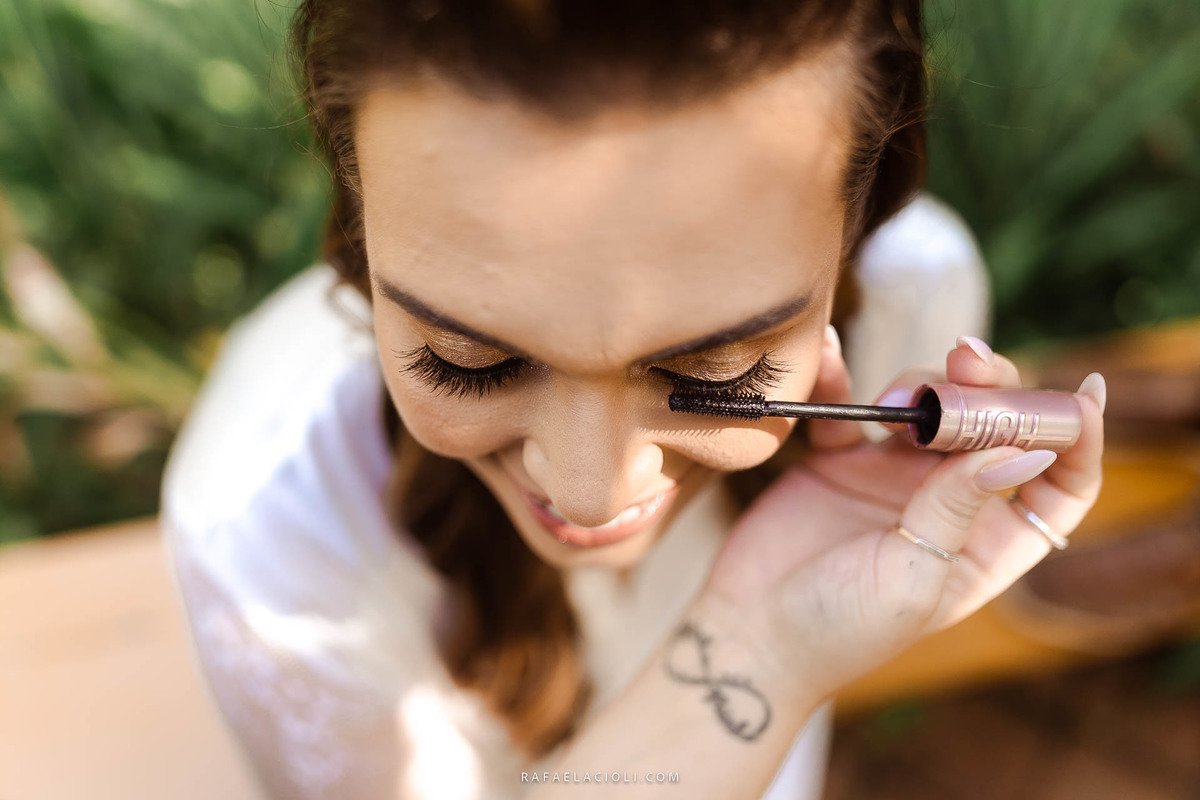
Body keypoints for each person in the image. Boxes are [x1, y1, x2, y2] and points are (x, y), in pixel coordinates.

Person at [160, 1, 1106, 798]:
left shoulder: (917, 294)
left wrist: (771, 648)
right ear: (361, 228)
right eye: (466, 362)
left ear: (855, 227)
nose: (590, 493)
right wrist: (755, 663)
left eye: (717, 372)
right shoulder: (266, 514)